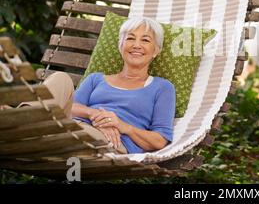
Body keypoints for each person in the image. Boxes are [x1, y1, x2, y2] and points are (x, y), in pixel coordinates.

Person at [18, 17, 176, 153]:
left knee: (69, 130)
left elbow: (160, 140)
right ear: (121, 46)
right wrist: (95, 116)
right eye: (130, 38)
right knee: (60, 78)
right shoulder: (96, 79)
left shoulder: (162, 87)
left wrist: (121, 125)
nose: (136, 45)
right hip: (76, 125)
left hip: (113, 141)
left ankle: (26, 128)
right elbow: (70, 106)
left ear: (156, 50)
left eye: (145, 40)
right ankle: (19, 121)